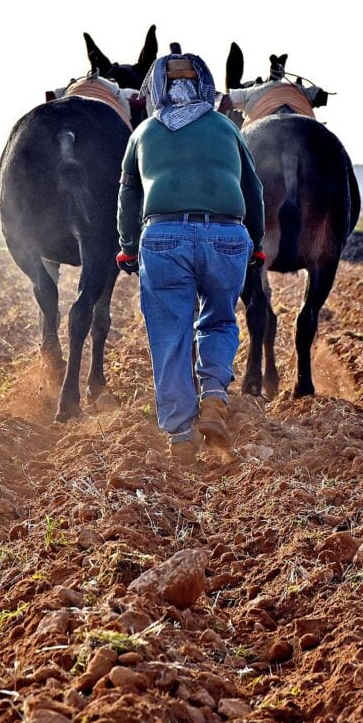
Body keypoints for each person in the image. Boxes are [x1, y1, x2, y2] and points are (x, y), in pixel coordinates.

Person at [116, 52, 265, 463]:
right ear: (204, 84)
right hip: (227, 235)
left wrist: (128, 245)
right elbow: (253, 190)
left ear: (157, 89)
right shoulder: (226, 128)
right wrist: (256, 241)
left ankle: (181, 436)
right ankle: (214, 398)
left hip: (163, 236)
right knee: (219, 319)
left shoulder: (143, 133)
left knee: (169, 335)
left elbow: (128, 194)